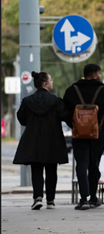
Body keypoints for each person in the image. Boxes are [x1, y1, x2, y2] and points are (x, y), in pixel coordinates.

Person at [63, 64, 104, 210]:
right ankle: (93, 198)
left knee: (81, 164)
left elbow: (64, 113)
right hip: (98, 135)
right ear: (94, 75)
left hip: (79, 135)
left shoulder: (71, 90)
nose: (100, 76)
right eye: (99, 73)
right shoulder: (103, 91)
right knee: (94, 165)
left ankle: (83, 198)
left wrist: (75, 125)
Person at [13, 72, 69, 210]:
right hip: (52, 139)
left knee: (36, 170)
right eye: (51, 80)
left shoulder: (27, 101)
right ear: (45, 83)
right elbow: (65, 115)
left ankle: (37, 197)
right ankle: (50, 201)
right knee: (51, 170)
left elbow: (21, 118)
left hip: (34, 139)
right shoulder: (55, 101)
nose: (52, 82)